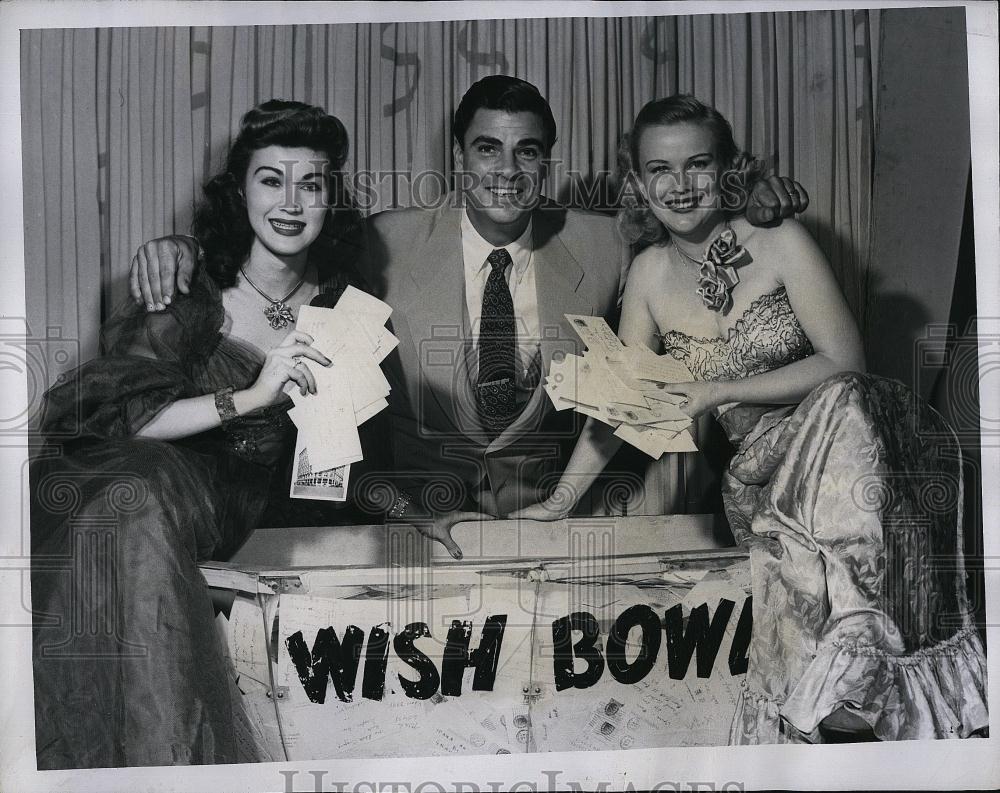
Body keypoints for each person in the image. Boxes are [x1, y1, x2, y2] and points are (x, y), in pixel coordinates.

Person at [127, 76, 808, 558]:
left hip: (548, 520)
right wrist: (185, 249)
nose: (507, 170)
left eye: (528, 151)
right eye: (488, 148)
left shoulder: (603, 240)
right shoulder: (380, 239)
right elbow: (286, 240)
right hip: (412, 520)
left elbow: (682, 218)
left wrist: (749, 200)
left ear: (547, 161)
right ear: (459, 156)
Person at [511, 95, 988, 743]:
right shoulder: (648, 275)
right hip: (764, 480)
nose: (679, 186)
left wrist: (716, 391)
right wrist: (561, 501)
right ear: (637, 180)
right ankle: (836, 687)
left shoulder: (779, 238)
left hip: (852, 456)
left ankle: (858, 663)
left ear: (729, 168)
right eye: (659, 169)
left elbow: (845, 361)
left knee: (843, 400)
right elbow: (625, 403)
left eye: (698, 164)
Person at [30, 99, 380, 768]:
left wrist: (407, 506)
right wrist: (251, 396)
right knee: (136, 500)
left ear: (331, 198)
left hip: (246, 515)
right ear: (240, 190)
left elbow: (342, 465)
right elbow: (124, 417)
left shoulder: (348, 309)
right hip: (156, 492)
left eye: (311, 183)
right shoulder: (191, 290)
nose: (290, 201)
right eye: (270, 179)